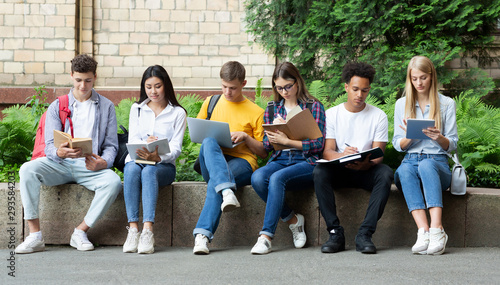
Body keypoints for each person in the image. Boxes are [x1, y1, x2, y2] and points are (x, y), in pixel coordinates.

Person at [15, 54, 122, 254]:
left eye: (88, 80)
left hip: (89, 165)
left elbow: (111, 146)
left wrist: (104, 162)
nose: (83, 86)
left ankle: (80, 232)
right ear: (71, 75)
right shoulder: (58, 105)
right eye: (79, 80)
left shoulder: (106, 106)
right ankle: (34, 235)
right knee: (27, 169)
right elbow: (48, 146)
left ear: (95, 77)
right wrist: (59, 152)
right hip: (60, 164)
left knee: (113, 182)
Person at [313, 62, 393, 254]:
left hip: (365, 170)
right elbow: (327, 151)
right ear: (346, 87)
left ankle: (365, 234)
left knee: (385, 173)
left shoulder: (378, 116)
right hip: (340, 169)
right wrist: (343, 155)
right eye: (355, 89)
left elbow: (378, 155)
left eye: (364, 90)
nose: (359, 95)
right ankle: (335, 233)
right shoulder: (332, 114)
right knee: (319, 172)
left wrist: (366, 164)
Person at [250, 62, 325, 254]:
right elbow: (267, 147)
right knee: (258, 178)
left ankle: (265, 237)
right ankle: (293, 220)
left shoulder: (313, 106)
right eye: (279, 87)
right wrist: (272, 133)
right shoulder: (272, 108)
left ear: (297, 82)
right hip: (279, 159)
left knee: (277, 178)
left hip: (305, 161)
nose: (284, 91)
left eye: (288, 86)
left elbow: (319, 145)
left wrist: (288, 140)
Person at [192, 61, 267, 255]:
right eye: (224, 87)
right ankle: (227, 190)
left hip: (242, 162)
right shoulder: (211, 102)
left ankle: (202, 237)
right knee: (209, 141)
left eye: (232, 88)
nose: (227, 92)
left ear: (244, 83)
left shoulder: (256, 112)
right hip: (213, 159)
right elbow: (198, 136)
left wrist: (246, 137)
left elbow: (263, 152)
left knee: (216, 182)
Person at [393, 55, 458, 255]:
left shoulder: (446, 104)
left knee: (426, 165)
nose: (419, 83)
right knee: (404, 170)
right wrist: (410, 138)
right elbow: (397, 143)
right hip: (410, 160)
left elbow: (453, 144)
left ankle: (437, 230)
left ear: (431, 77)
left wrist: (439, 138)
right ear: (409, 79)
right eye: (414, 79)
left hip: (437, 163)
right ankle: (423, 231)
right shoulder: (402, 104)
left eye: (423, 78)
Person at [122, 65, 187, 254]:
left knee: (150, 170)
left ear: (166, 85)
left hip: (163, 167)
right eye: (149, 87)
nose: (153, 91)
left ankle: (148, 230)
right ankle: (133, 229)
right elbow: (132, 139)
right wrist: (145, 144)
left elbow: (176, 149)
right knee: (131, 169)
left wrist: (158, 155)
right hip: (138, 160)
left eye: (157, 86)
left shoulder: (177, 112)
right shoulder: (138, 109)